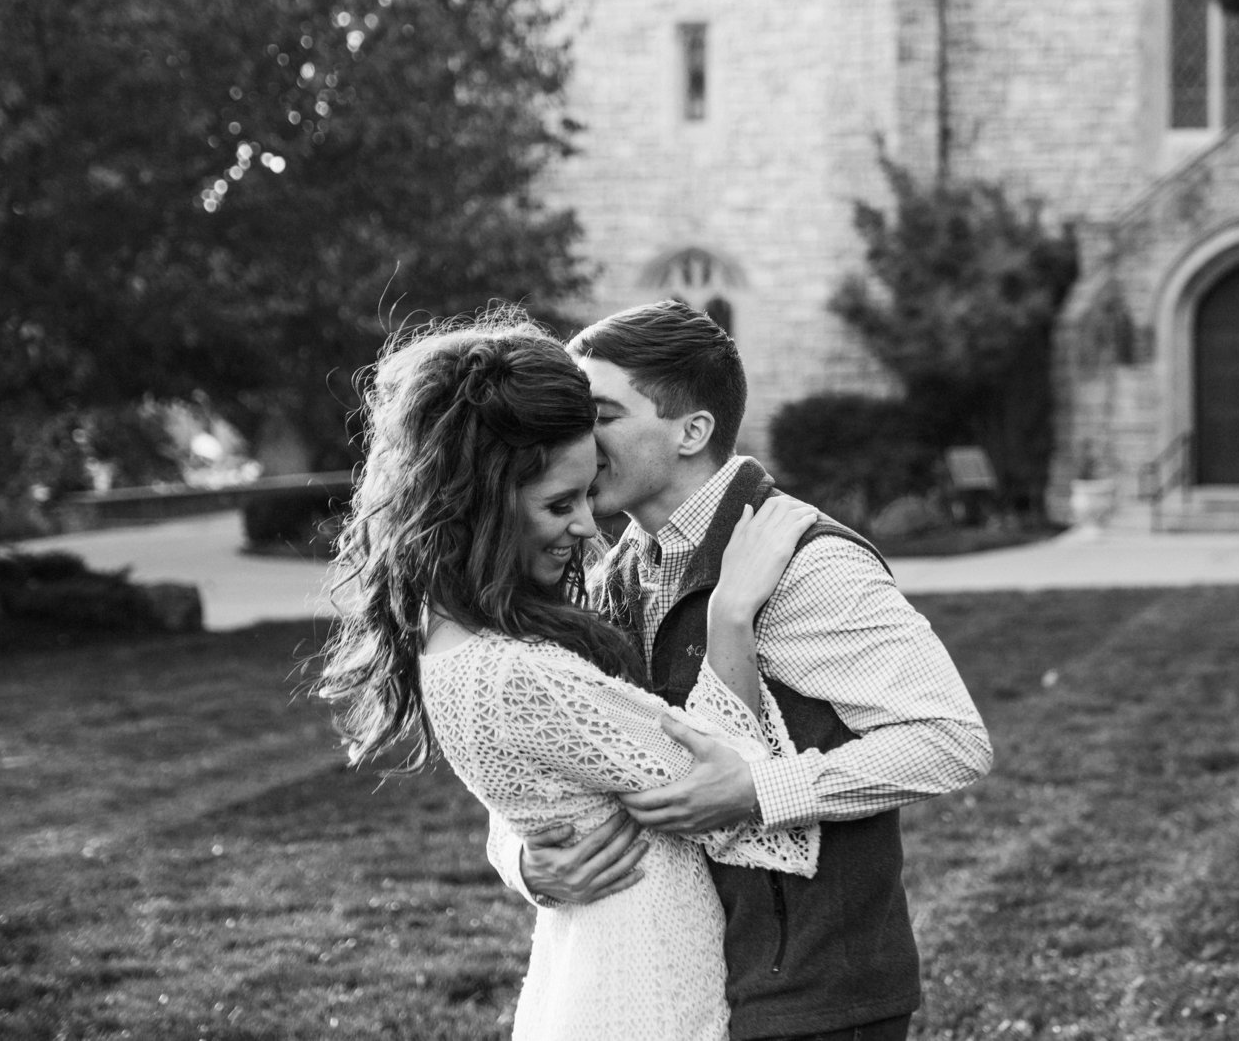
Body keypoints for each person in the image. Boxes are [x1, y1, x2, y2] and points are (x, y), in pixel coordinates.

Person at [488, 300, 993, 1041]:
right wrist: (526, 866)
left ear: (692, 430)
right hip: (677, 985)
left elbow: (950, 741)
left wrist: (758, 790)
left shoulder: (805, 564)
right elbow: (546, 757)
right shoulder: (607, 570)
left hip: (811, 1000)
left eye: (599, 413)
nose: (573, 439)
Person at [317, 314, 825, 1041]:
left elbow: (548, 788)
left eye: (588, 495)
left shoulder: (459, 638)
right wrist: (732, 615)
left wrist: (525, 862)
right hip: (641, 990)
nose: (589, 527)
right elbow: (731, 790)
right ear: (478, 507)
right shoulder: (518, 673)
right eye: (560, 504)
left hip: (595, 968)